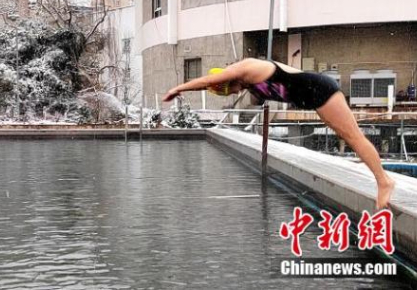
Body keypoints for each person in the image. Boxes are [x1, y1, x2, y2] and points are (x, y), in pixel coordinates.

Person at [162, 58, 395, 209]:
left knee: (354, 137)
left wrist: (178, 88)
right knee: (349, 137)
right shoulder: (248, 84)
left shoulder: (246, 67)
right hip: (314, 98)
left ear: (228, 78)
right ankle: (380, 176)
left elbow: (207, 80)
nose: (235, 92)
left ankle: (384, 181)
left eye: (230, 88)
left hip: (321, 90)